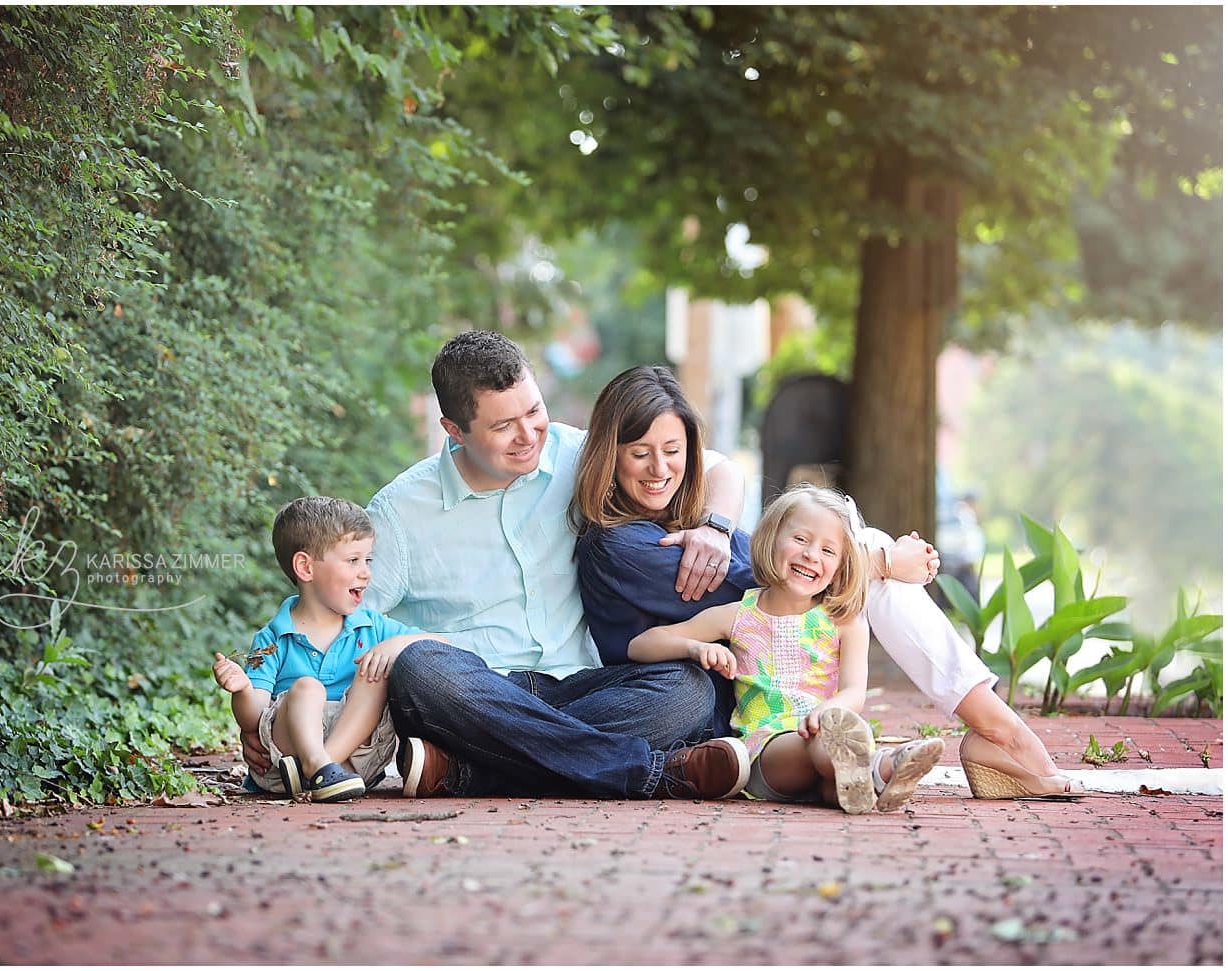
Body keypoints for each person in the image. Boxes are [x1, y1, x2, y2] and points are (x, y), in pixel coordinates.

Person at [572, 365, 1086, 800]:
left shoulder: (683, 522)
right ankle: (1000, 732)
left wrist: (718, 522)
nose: (661, 468)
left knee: (851, 558)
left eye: (673, 450)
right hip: (703, 707)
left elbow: (732, 486)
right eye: (640, 453)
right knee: (862, 557)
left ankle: (973, 739)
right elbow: (775, 577)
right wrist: (881, 557)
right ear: (609, 455)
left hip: (758, 700)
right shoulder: (622, 545)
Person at [351, 330, 752, 800]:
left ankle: (471, 772)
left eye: (534, 412)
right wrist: (273, 714)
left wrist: (716, 527)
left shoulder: (577, 454)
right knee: (419, 668)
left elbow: (719, 468)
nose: (527, 437)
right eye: (503, 426)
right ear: (455, 430)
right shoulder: (400, 513)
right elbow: (342, 620)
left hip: (587, 685)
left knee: (688, 690)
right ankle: (654, 773)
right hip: (479, 691)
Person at [630, 485, 944, 813]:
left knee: (834, 780)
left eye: (828, 550)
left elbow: (854, 692)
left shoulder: (845, 621)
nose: (811, 555)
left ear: (841, 566)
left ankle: (866, 781)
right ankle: (883, 766)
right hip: (767, 754)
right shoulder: (739, 615)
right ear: (771, 538)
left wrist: (826, 712)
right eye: (801, 540)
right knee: (825, 744)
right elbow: (642, 645)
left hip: (827, 732)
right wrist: (695, 648)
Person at [215, 496, 434, 803]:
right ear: (305, 567)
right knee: (307, 688)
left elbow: (439, 645)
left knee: (376, 671)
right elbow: (253, 718)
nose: (366, 572)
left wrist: (396, 644)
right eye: (353, 560)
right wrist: (240, 690)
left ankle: (323, 770)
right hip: (285, 759)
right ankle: (319, 767)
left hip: (357, 759)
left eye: (367, 560)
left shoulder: (373, 627)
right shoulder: (272, 638)